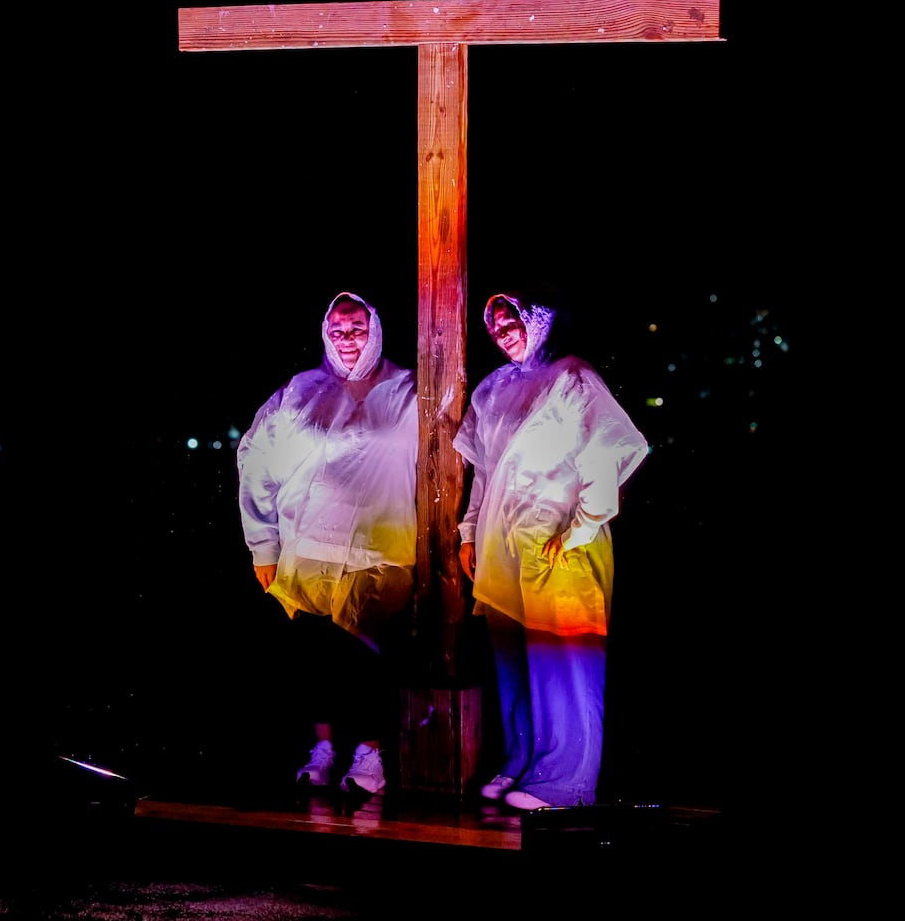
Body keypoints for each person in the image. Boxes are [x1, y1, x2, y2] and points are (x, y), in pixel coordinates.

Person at [454, 291, 648, 810]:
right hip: (504, 541)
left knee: (563, 657)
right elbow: (484, 470)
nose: (502, 330)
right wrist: (470, 531)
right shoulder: (493, 389)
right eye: (493, 323)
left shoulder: (572, 376)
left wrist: (582, 528)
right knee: (514, 658)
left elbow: (607, 449)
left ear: (536, 316)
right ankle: (523, 759)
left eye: (511, 317)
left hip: (559, 539)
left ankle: (566, 781)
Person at [235, 291, 418, 796]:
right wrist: (263, 545)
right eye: (337, 330)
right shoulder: (302, 391)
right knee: (317, 657)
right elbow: (256, 461)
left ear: (376, 329)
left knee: (368, 652)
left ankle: (371, 753)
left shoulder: (409, 391)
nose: (347, 339)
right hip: (309, 544)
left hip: (379, 547)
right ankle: (325, 748)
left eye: (357, 328)